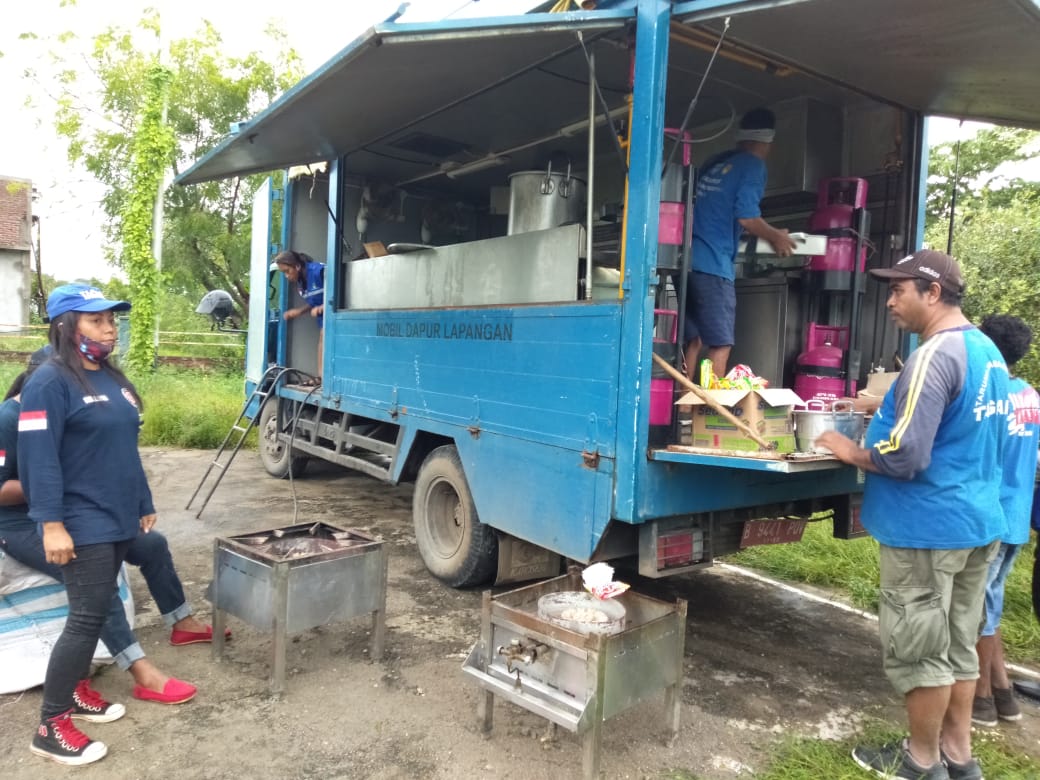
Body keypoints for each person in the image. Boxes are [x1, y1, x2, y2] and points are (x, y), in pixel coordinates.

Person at [816, 250, 1010, 780]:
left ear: (932, 293)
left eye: (899, 290)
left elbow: (906, 456)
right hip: (975, 522)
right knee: (956, 646)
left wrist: (847, 450)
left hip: (928, 528)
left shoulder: (934, 354)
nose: (890, 300)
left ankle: (920, 763)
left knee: (921, 652)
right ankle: (958, 756)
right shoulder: (986, 350)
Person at [16, 285, 187, 765]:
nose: (109, 327)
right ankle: (50, 727)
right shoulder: (49, 381)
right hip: (80, 518)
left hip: (116, 515)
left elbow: (124, 447)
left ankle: (70, 695)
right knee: (87, 617)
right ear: (66, 325)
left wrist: (142, 498)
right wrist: (51, 523)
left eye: (112, 318)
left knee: (92, 614)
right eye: (95, 320)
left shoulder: (111, 377)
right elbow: (38, 459)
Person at [3, 347, 224, 710]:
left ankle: (180, 620)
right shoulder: (10, 418)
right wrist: (58, 481)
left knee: (152, 545)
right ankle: (139, 668)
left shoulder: (81, 407)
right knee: (95, 581)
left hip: (79, 509)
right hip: (22, 524)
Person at [684, 107, 797, 381]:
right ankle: (707, 419)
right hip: (713, 266)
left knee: (693, 340)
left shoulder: (715, 162)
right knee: (721, 343)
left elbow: (714, 211)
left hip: (685, 262)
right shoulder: (753, 165)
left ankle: (684, 411)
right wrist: (776, 236)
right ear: (768, 141)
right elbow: (747, 217)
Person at [971, 315, 1039, 727]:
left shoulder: (993, 397)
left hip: (991, 516)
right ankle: (1003, 693)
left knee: (979, 610)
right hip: (1016, 516)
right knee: (991, 603)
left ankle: (980, 698)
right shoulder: (1031, 395)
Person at [273, 249, 325, 385]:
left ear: (297, 266)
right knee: (322, 340)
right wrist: (299, 311)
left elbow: (339, 291)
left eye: (287, 271)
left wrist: (324, 307)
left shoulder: (320, 271)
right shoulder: (301, 283)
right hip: (323, 320)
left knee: (324, 337)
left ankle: (324, 378)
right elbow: (314, 302)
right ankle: (321, 378)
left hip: (336, 317)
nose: (286, 276)